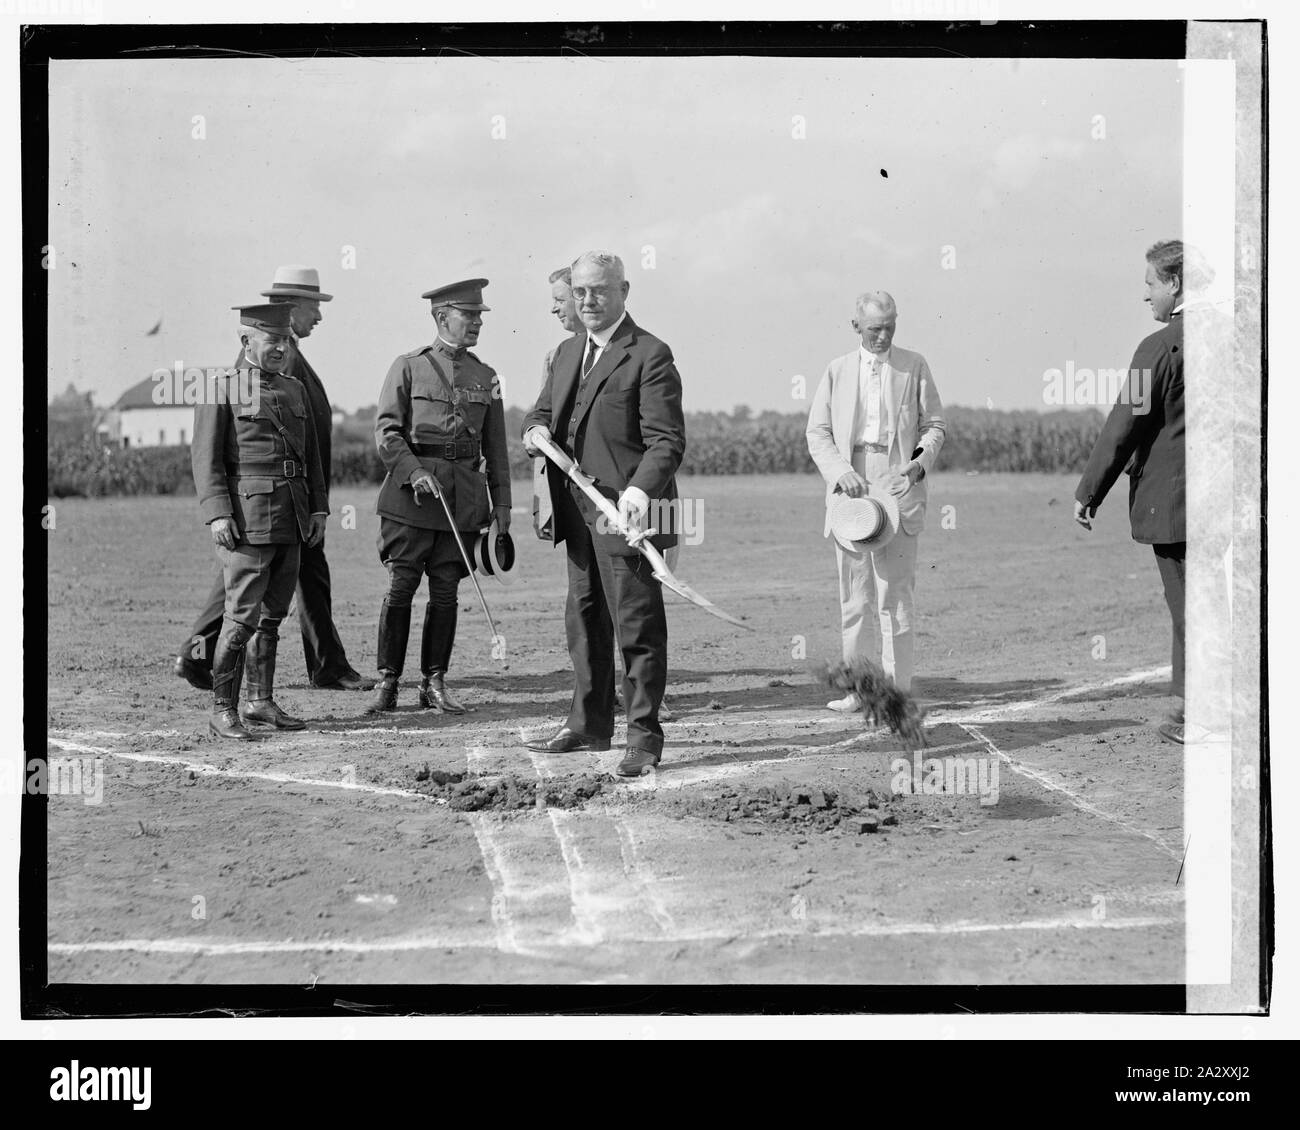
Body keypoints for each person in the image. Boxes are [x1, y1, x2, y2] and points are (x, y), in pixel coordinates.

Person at [522, 250, 685, 777]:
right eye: (581, 292)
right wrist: (533, 430)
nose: (588, 301)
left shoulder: (650, 353)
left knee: (636, 625)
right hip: (579, 516)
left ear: (624, 291)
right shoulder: (569, 351)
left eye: (599, 291)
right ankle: (589, 725)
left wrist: (638, 495)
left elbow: (666, 442)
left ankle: (643, 736)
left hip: (628, 517)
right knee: (585, 619)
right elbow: (543, 411)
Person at [174, 266, 371, 692]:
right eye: (314, 306)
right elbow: (218, 446)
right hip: (262, 501)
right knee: (251, 588)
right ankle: (213, 661)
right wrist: (221, 512)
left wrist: (316, 500)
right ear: (289, 306)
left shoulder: (289, 357)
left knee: (269, 588)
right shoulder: (250, 369)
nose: (318, 316)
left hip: (295, 497)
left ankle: (229, 666)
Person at [366, 279, 511, 715]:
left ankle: (434, 683)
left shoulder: (487, 377)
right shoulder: (408, 366)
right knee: (401, 587)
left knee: (446, 592)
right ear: (441, 316)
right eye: (470, 315)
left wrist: (501, 507)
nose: (477, 323)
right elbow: (387, 433)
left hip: (463, 502)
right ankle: (387, 683)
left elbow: (497, 449)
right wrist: (413, 472)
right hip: (412, 502)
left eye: (480, 316)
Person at [1074, 240, 1194, 744]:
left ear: (1176, 283)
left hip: (1177, 507)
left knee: (1190, 607)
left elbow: (1125, 424)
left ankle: (1202, 718)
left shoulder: (1158, 348)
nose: (1146, 297)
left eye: (1150, 284)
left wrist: (1090, 491)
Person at [191, 303, 328, 739]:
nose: (281, 348)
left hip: (292, 515)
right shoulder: (221, 388)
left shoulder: (293, 389)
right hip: (247, 519)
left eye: (286, 340)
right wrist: (217, 514)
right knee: (242, 616)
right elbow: (205, 459)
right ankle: (222, 709)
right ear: (246, 340)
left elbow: (312, 459)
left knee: (273, 615)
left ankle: (260, 702)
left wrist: (319, 508)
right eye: (273, 340)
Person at [806, 290, 947, 709]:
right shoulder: (836, 371)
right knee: (855, 598)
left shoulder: (914, 365)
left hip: (899, 486)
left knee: (895, 596)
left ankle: (897, 691)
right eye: (874, 330)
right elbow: (818, 433)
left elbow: (935, 425)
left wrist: (919, 464)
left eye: (890, 328)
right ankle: (860, 692)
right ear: (856, 328)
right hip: (850, 487)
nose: (883, 337)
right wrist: (841, 472)